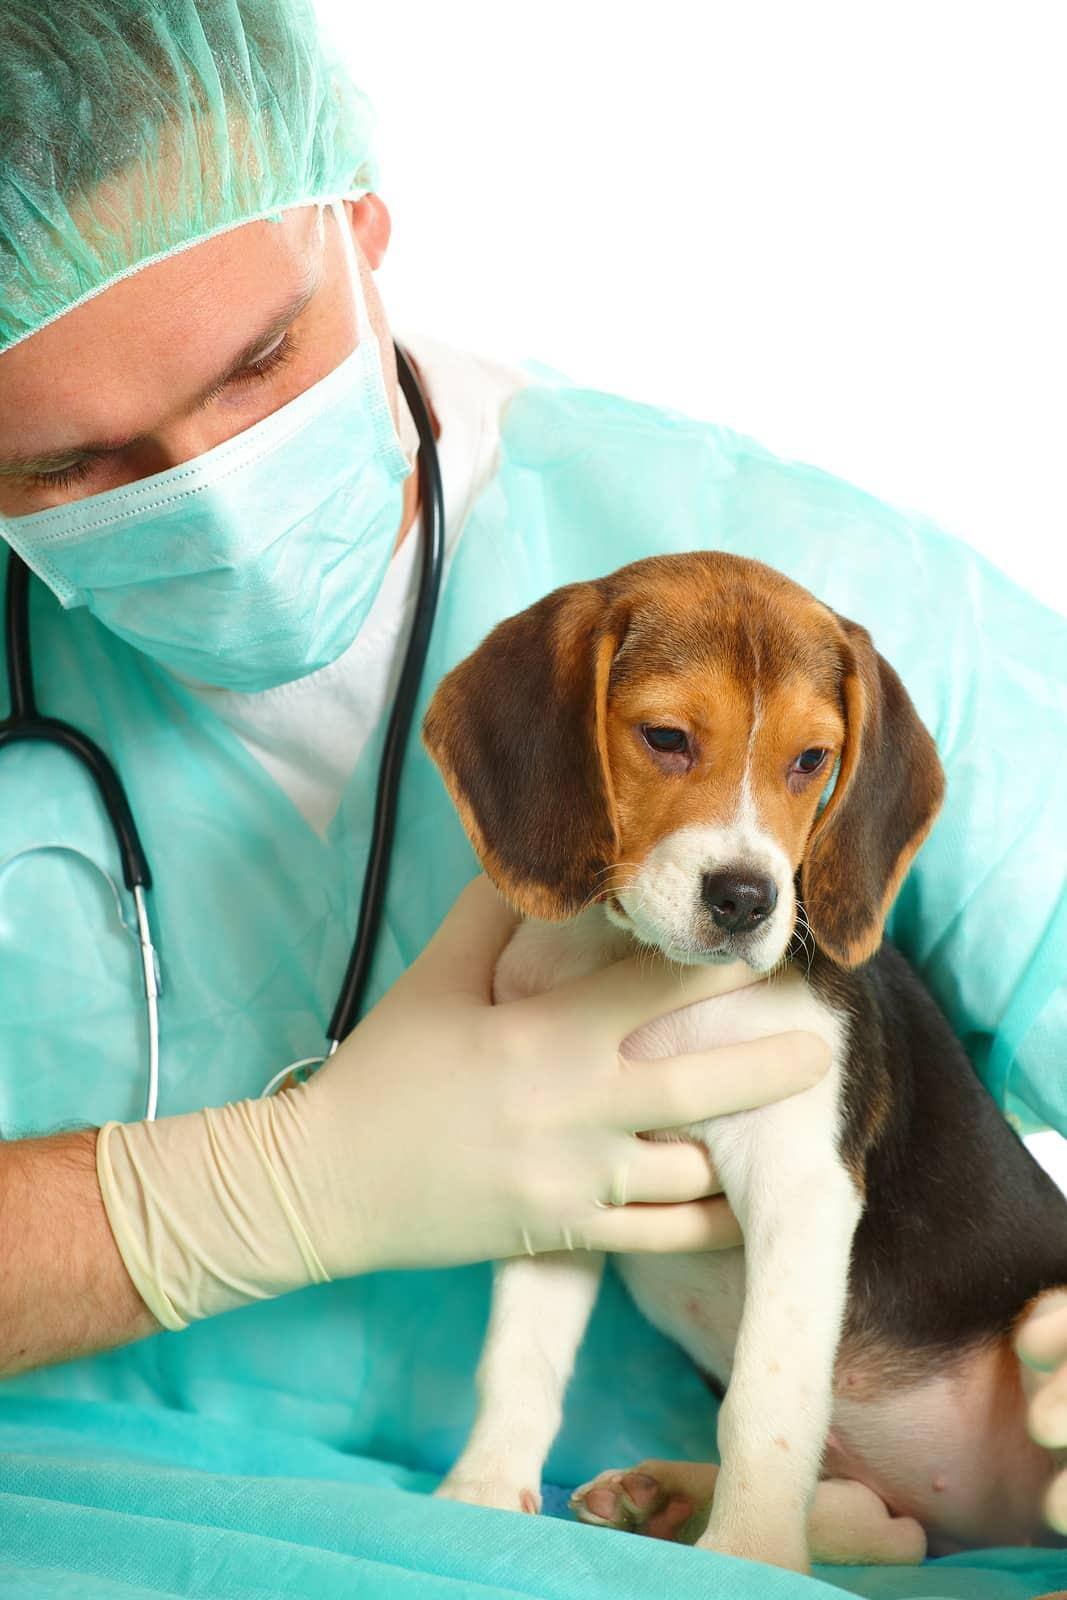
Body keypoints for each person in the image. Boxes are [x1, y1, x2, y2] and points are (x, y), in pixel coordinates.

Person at [0, 5, 1063, 1599]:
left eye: (260, 361)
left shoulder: (799, 592)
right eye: (72, 467)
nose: (206, 485)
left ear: (355, 221)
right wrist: (202, 1205)